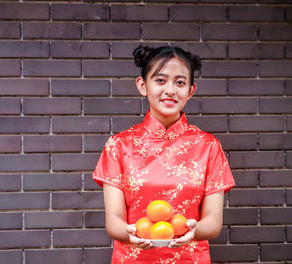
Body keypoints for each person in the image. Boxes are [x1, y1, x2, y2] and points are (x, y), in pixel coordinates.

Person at [92, 45, 235, 263]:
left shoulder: (208, 146)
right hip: (134, 258)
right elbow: (114, 221)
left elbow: (213, 222)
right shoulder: (119, 146)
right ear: (142, 86)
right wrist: (132, 234)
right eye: (160, 80)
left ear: (190, 90)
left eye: (180, 82)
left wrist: (193, 231)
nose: (170, 90)